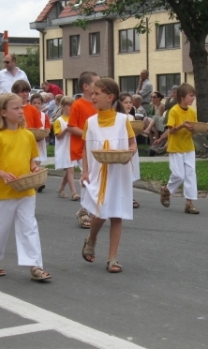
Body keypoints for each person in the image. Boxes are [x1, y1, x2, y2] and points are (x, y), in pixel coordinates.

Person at [0, 93, 52, 281]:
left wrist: (35, 168)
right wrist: (3, 174)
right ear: (3, 112)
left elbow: (32, 161)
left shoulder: (28, 135)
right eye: (16, 108)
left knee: (29, 227)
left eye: (21, 107)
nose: (21, 111)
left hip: (26, 191)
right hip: (3, 192)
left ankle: (35, 265)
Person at [80, 78, 137, 273]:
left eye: (97, 93)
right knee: (99, 213)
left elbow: (132, 144)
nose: (92, 96)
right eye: (92, 93)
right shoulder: (90, 122)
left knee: (116, 214)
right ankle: (92, 238)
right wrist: (85, 171)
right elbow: (85, 149)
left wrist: (128, 153)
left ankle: (112, 258)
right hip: (98, 173)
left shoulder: (123, 120)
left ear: (110, 97)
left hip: (118, 172)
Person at [159, 83, 200, 214]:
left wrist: (196, 130)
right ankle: (167, 190)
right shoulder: (174, 111)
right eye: (191, 96)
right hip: (176, 147)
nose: (193, 98)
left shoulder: (192, 112)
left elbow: (194, 130)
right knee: (178, 174)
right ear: (182, 97)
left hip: (188, 147)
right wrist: (182, 126)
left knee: (190, 174)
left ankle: (189, 202)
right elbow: (171, 130)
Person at [68, 71, 99, 229]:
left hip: (94, 149)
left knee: (93, 178)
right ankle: (84, 210)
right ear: (86, 86)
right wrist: (89, 134)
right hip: (81, 148)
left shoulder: (97, 104)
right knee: (87, 178)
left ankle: (88, 209)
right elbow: (71, 126)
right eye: (96, 83)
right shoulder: (78, 104)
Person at [54, 96, 80, 200]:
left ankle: (61, 188)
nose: (71, 108)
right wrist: (67, 130)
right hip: (63, 148)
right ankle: (74, 193)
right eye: (69, 106)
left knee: (70, 169)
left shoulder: (74, 119)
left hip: (72, 147)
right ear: (63, 107)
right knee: (70, 169)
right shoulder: (58, 121)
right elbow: (58, 136)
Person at [120, 93, 141, 208]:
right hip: (123, 144)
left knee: (131, 169)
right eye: (125, 102)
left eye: (130, 102)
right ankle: (123, 195)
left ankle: (129, 195)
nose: (128, 105)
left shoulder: (132, 117)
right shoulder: (118, 117)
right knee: (123, 170)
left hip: (132, 144)